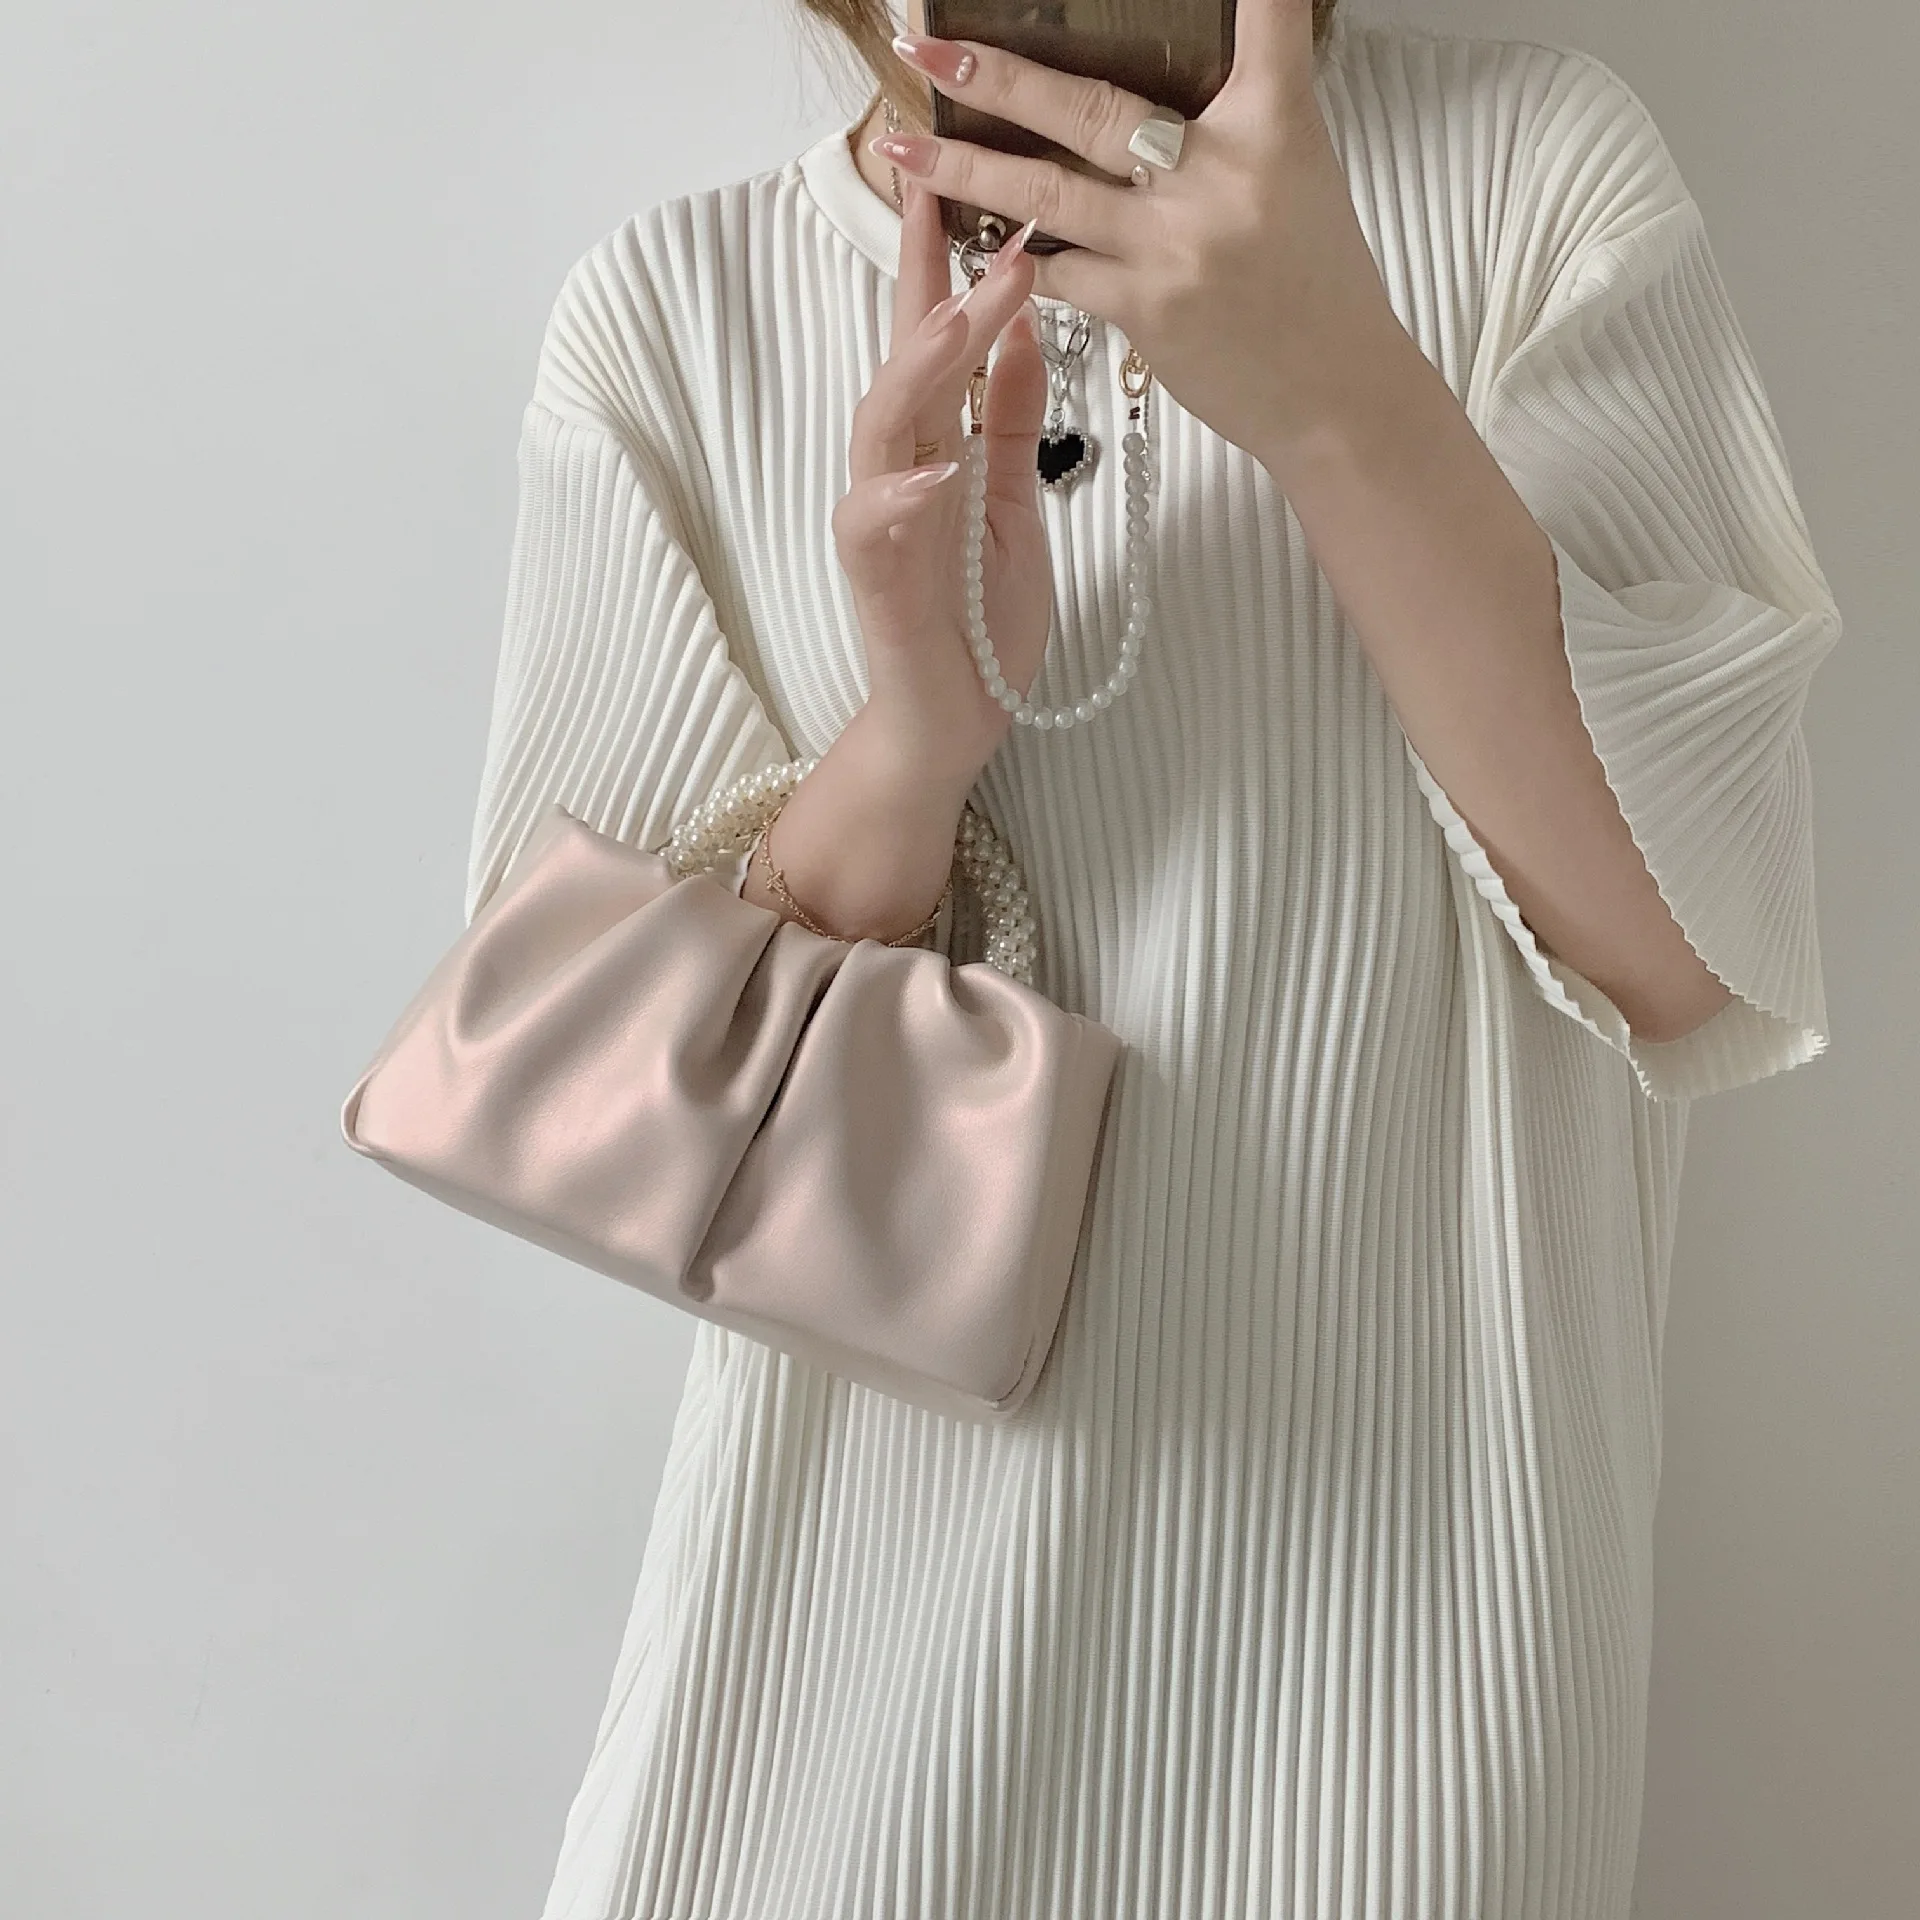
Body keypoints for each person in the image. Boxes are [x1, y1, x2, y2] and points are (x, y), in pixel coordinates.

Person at [462, 5, 1844, 1916]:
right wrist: (911, 742)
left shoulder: (1529, 182)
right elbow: (577, 1110)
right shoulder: (676, 316)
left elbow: (1687, 964)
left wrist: (1336, 393)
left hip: (1396, 1762)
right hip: (816, 1770)